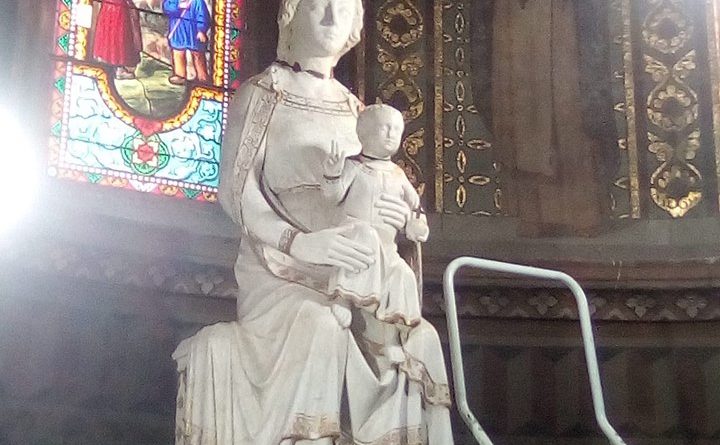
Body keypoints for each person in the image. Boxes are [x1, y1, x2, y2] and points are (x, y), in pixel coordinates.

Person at [172, 1, 454, 444]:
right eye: (319, 5)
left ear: (354, 30)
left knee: (418, 343)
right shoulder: (263, 94)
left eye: (341, 10)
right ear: (289, 15)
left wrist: (399, 221)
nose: (329, 18)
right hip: (279, 273)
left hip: (355, 272)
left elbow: (383, 187)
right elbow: (236, 190)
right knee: (320, 322)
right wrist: (299, 243)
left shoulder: (356, 111)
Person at [321, 104, 430, 364]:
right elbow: (331, 197)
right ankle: (345, 298)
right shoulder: (354, 167)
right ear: (364, 132)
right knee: (364, 238)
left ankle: (390, 338)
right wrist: (333, 173)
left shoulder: (399, 174)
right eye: (386, 128)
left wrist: (416, 226)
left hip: (388, 249)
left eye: (397, 129)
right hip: (357, 238)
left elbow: (417, 210)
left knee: (402, 274)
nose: (392, 134)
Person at [162, 0, 211, 85]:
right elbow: (166, 7)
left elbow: (202, 15)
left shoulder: (197, 2)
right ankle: (180, 75)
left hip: (194, 32)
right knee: (178, 53)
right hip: (178, 31)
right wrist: (178, 6)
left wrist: (201, 30)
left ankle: (202, 77)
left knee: (197, 54)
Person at [92, 0, 143, 79]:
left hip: (112, 4)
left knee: (116, 31)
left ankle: (113, 66)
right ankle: (118, 67)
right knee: (120, 33)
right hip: (117, 5)